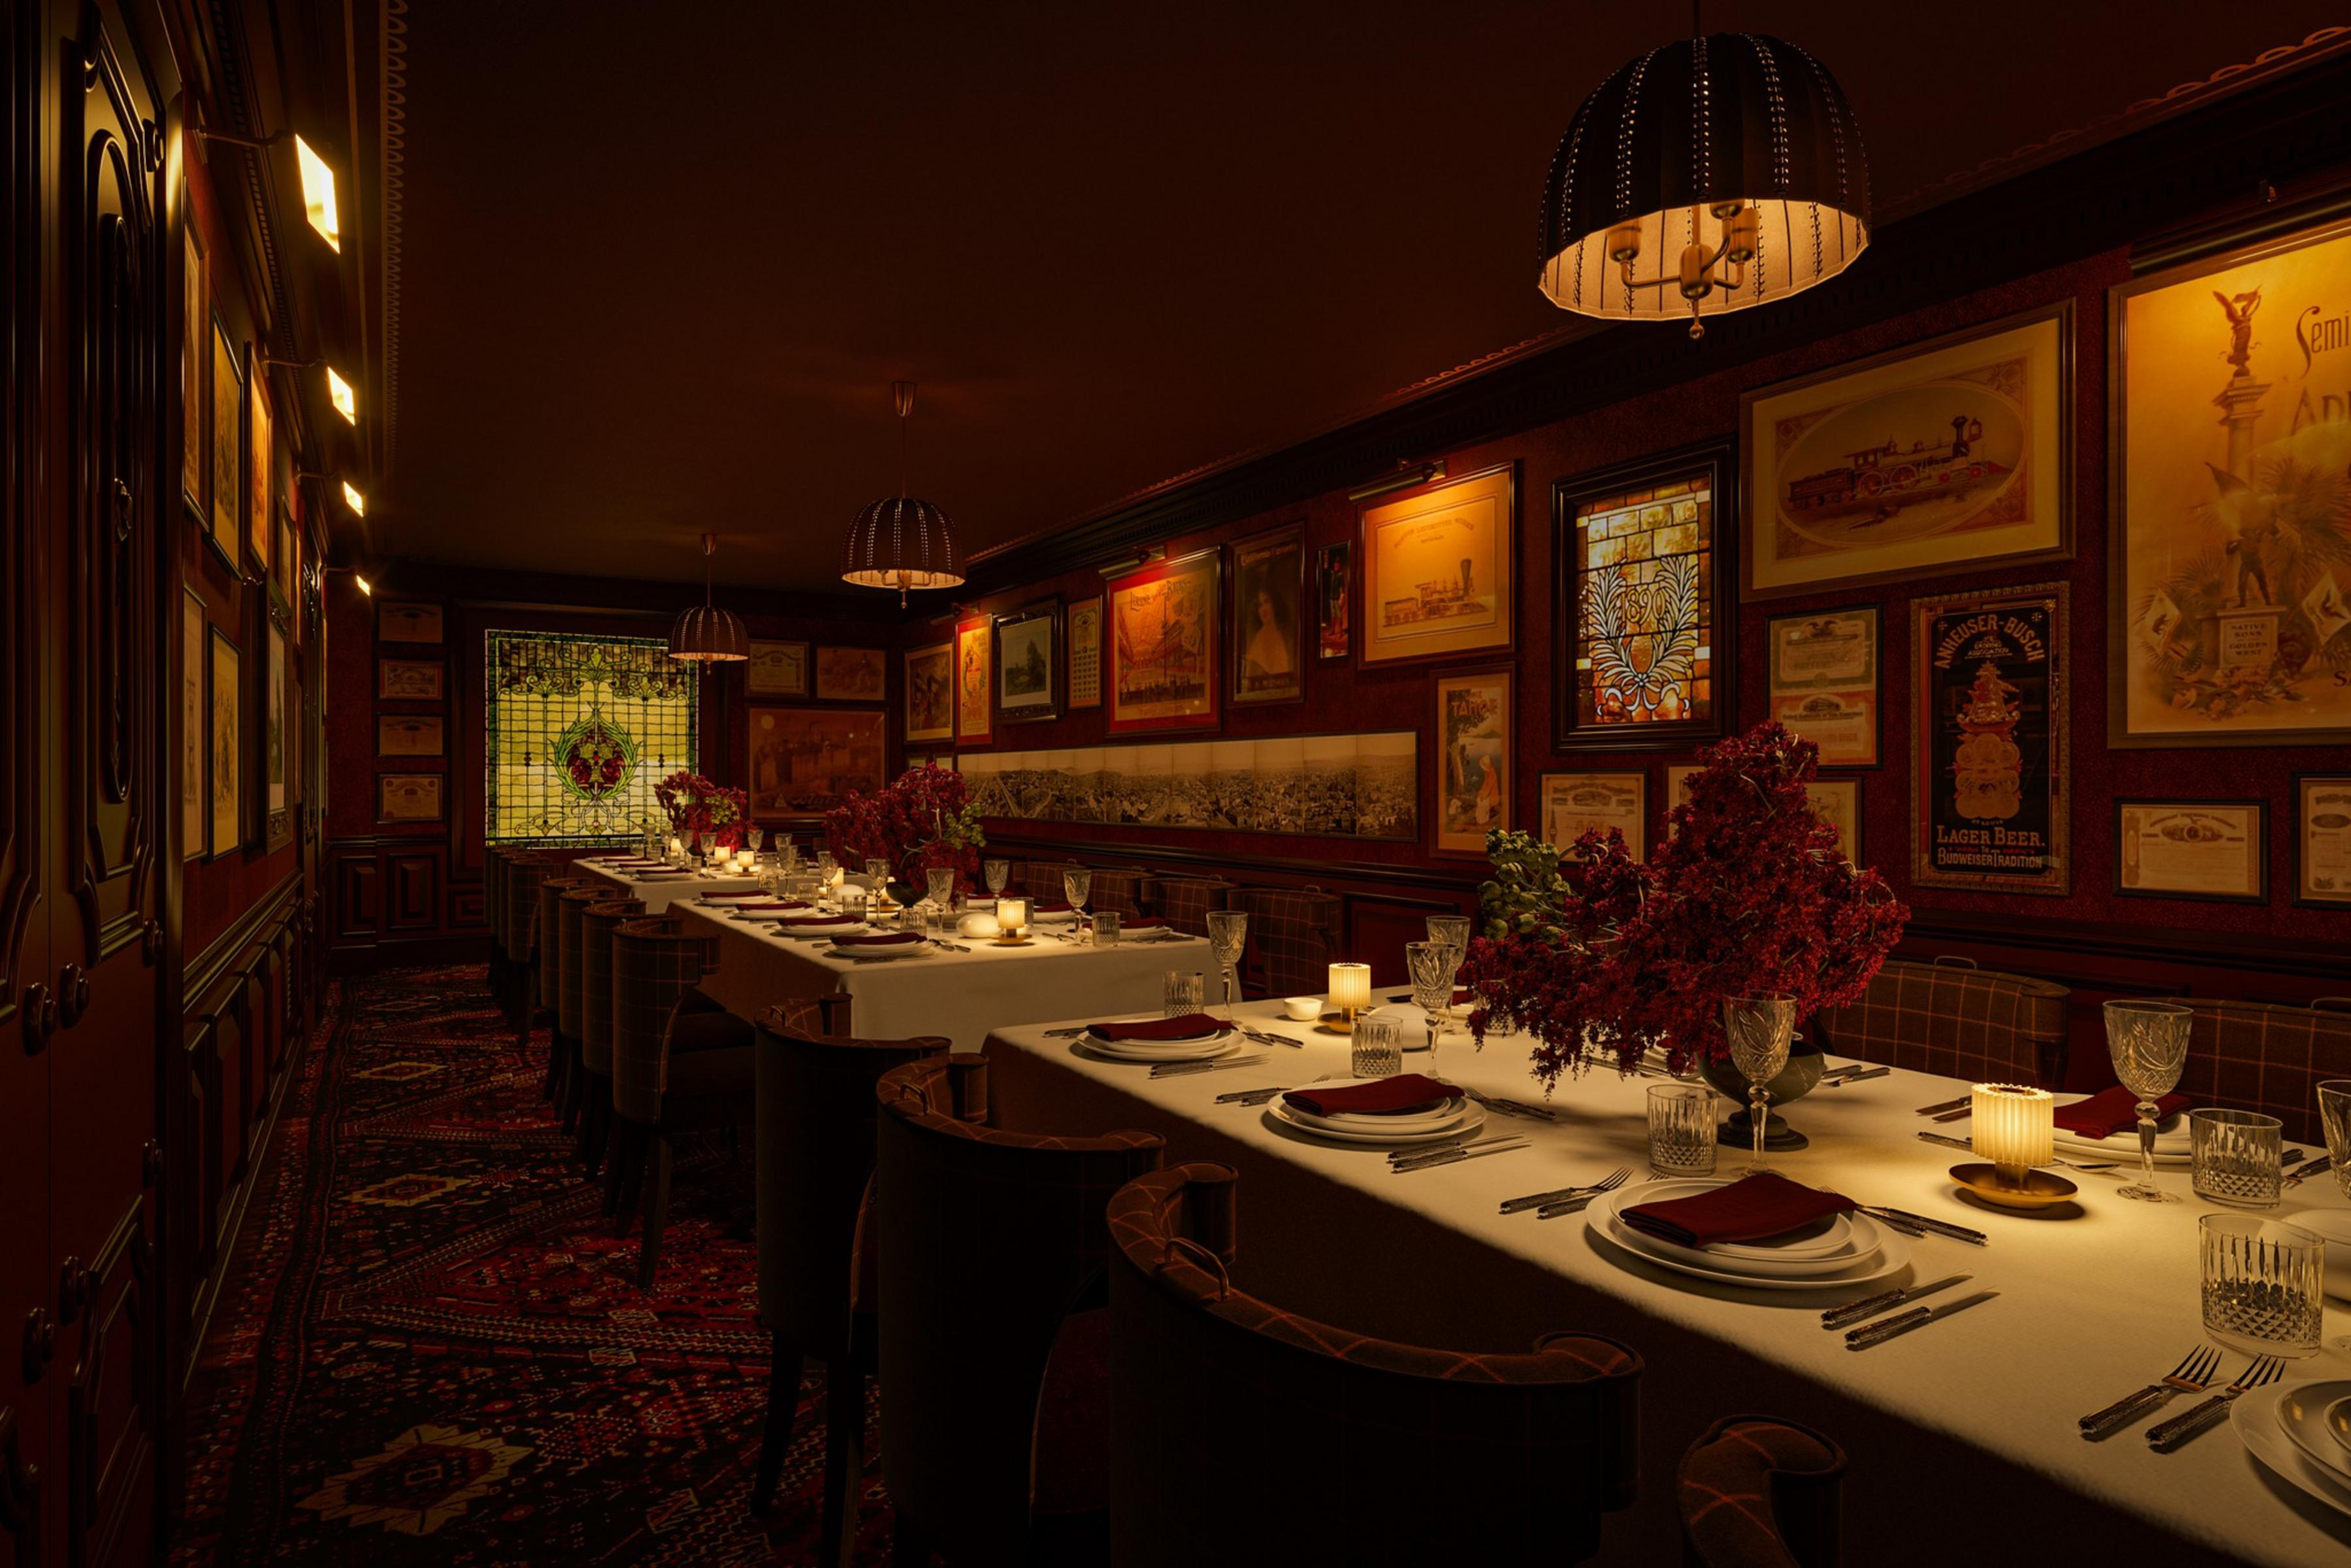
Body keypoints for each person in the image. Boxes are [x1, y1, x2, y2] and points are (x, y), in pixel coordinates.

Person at [1243, 587, 1292, 688]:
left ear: (1275, 604)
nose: (1263, 609)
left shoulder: (1283, 635)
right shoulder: (1260, 637)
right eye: (1260, 605)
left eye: (1266, 602)